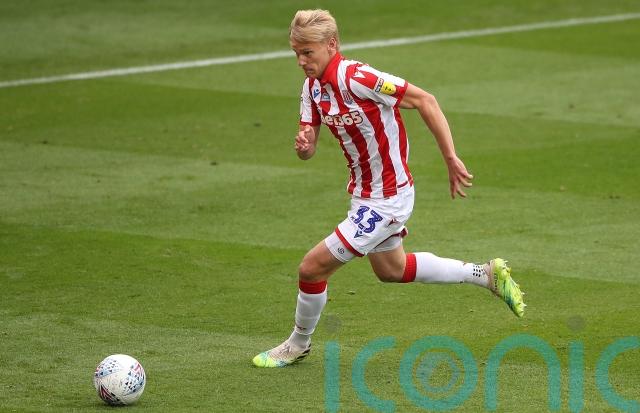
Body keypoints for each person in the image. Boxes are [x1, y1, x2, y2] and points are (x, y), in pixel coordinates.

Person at [252, 9, 525, 368]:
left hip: (388, 199)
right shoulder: (312, 89)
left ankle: (297, 344)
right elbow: (309, 146)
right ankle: (485, 274)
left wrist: (450, 157)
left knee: (311, 268)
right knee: (392, 270)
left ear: (331, 45)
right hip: (363, 196)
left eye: (307, 52)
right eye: (296, 53)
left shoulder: (360, 78)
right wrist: (305, 146)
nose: (301, 61)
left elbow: (425, 100)